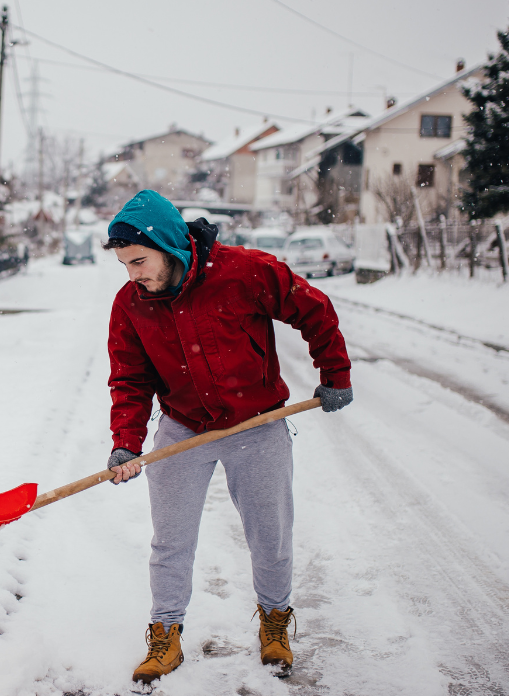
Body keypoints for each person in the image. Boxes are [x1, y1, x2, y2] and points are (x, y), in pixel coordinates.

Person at [102, 190, 353, 683]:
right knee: (170, 541)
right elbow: (130, 378)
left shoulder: (244, 272)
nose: (133, 274)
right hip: (182, 429)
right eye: (124, 264)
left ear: (169, 246)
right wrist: (127, 441)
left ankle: (275, 623)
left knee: (270, 536)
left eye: (138, 260)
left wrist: (335, 373)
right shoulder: (131, 304)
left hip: (257, 425)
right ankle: (165, 634)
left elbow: (313, 308)